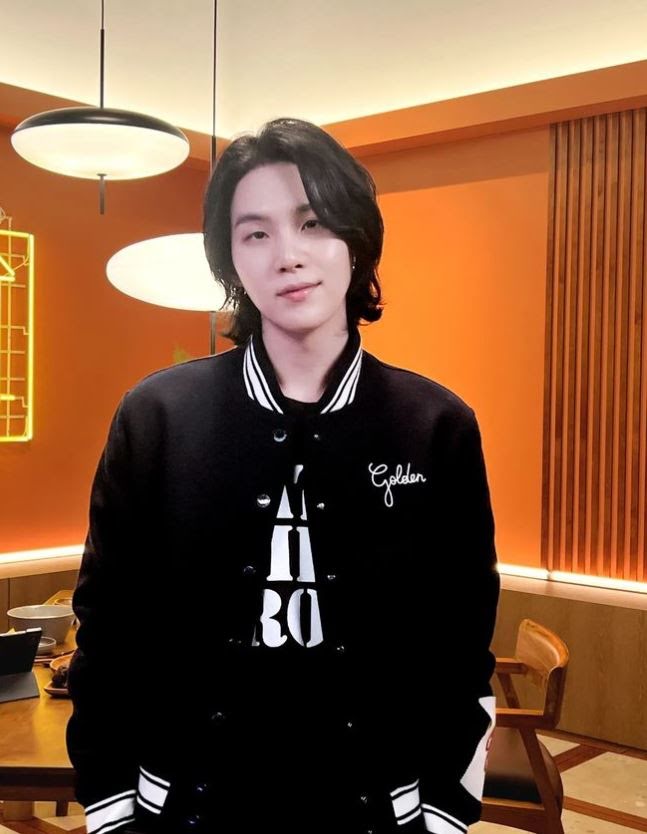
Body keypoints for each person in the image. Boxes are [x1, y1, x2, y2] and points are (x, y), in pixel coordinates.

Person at [67, 117, 499, 834]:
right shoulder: (157, 415)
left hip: (376, 808)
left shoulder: (436, 424)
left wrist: (445, 809)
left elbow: (460, 638)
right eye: (255, 233)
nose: (287, 256)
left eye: (312, 223)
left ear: (356, 241)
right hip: (184, 806)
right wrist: (111, 803)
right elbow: (109, 625)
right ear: (231, 260)